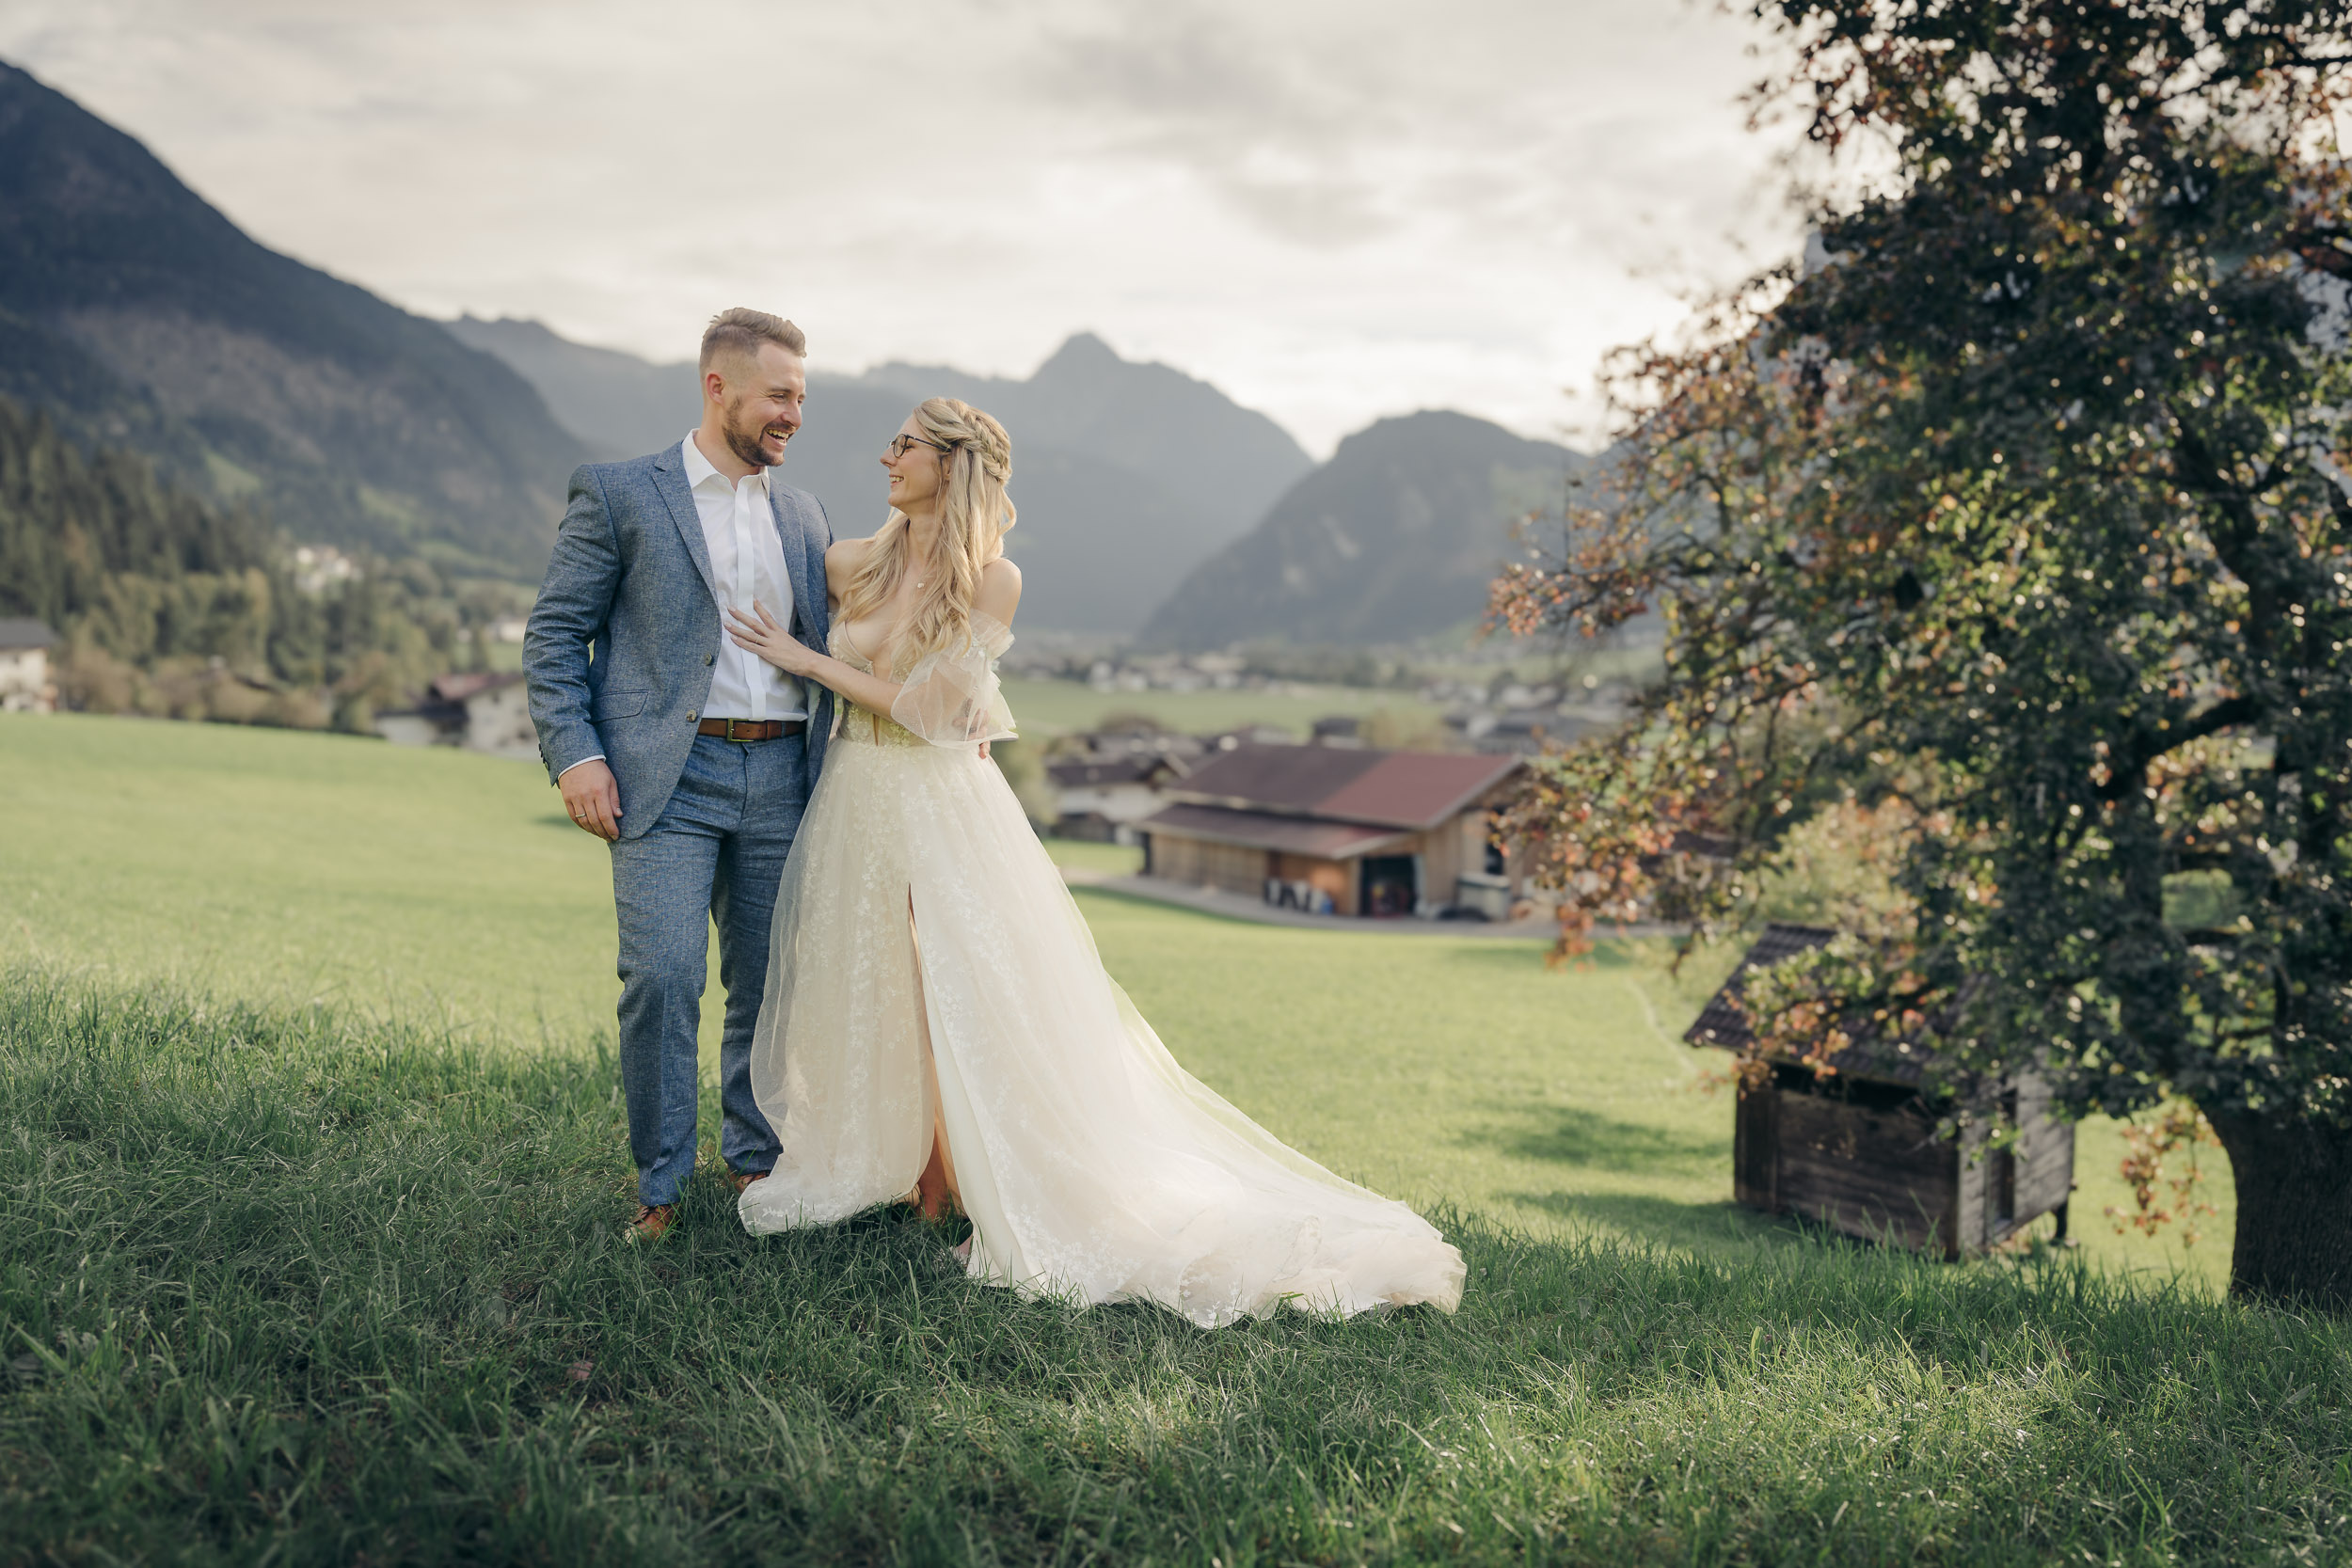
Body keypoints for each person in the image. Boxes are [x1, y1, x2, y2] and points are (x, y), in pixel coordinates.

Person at [724, 395, 1466, 1326]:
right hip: (854, 797)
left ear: (952, 467)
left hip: (938, 801)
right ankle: (924, 1181)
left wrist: (804, 659)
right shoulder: (849, 563)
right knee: (884, 985)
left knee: (966, 987)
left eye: (905, 445)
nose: (886, 456)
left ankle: (1003, 1189)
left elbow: (932, 710)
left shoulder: (995, 578)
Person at [523, 308, 833, 1243]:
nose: (793, 415)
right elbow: (551, 634)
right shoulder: (621, 493)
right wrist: (576, 754)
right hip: (669, 776)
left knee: (768, 984)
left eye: (801, 399)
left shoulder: (805, 513)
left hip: (785, 771)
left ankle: (753, 1162)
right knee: (661, 975)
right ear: (718, 386)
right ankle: (658, 1182)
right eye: (779, 395)